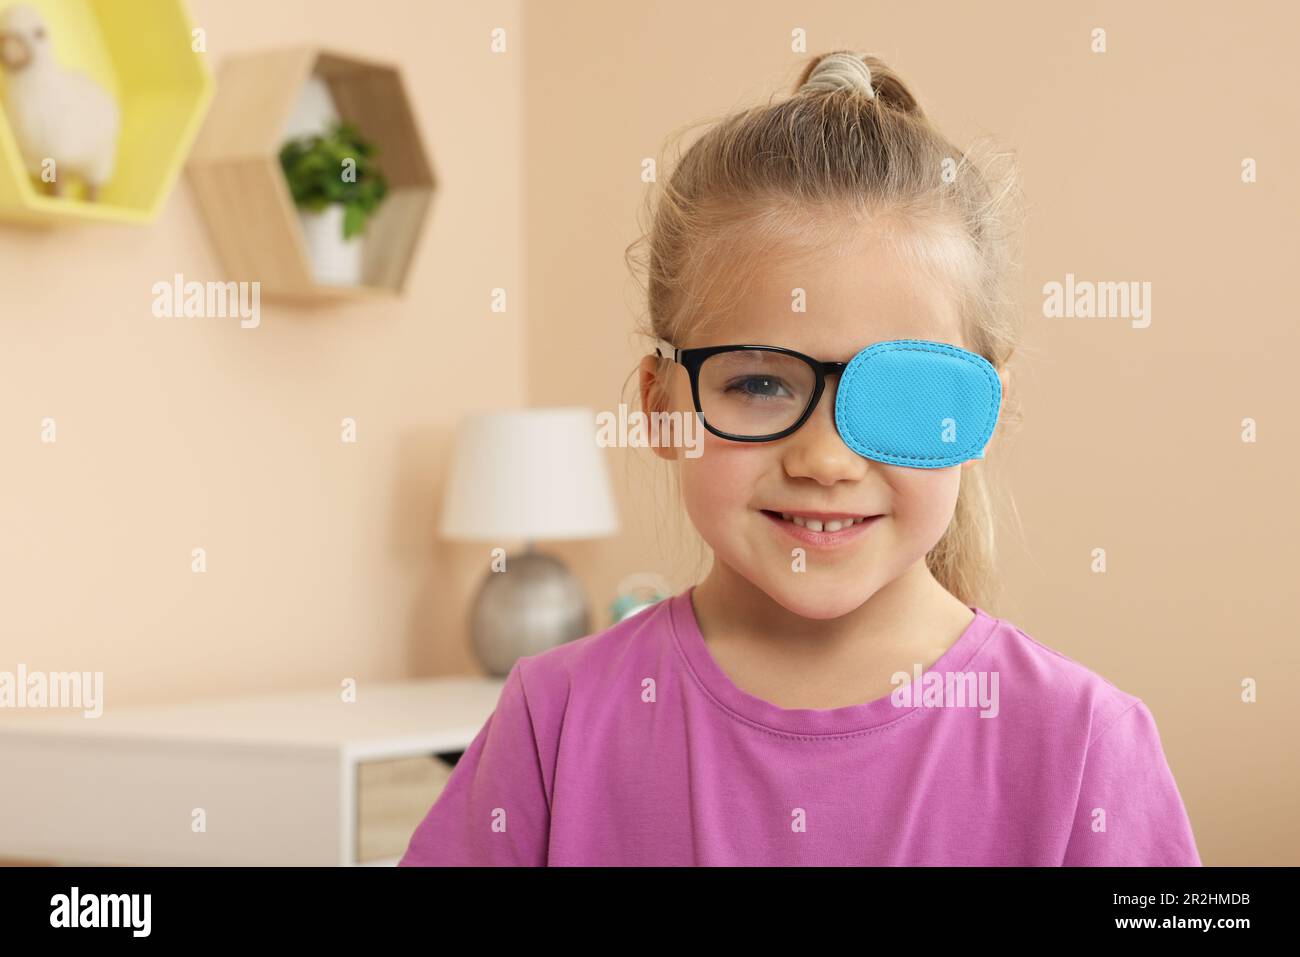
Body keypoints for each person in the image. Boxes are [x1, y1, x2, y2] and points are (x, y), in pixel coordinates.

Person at [399, 50, 1201, 866]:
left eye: (897, 394)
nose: (825, 457)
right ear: (659, 405)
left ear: (978, 412)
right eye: (758, 382)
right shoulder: (554, 722)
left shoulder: (1085, 745)